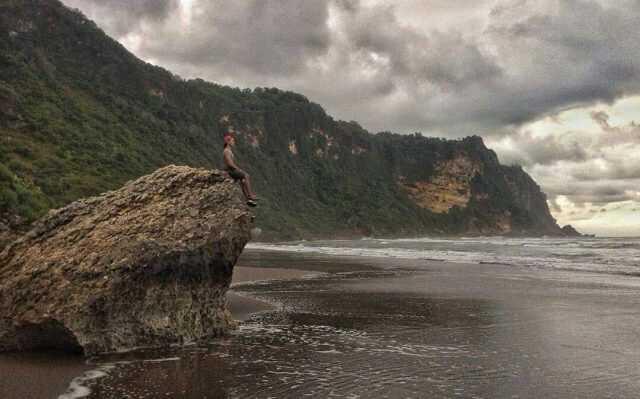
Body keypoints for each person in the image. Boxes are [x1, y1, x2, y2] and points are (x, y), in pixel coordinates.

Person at [223, 132, 258, 207]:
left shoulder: (229, 151)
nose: (233, 142)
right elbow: (230, 164)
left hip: (230, 170)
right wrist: (238, 169)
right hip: (230, 171)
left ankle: (248, 200)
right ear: (228, 142)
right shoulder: (227, 151)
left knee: (242, 181)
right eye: (232, 141)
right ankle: (250, 195)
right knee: (246, 175)